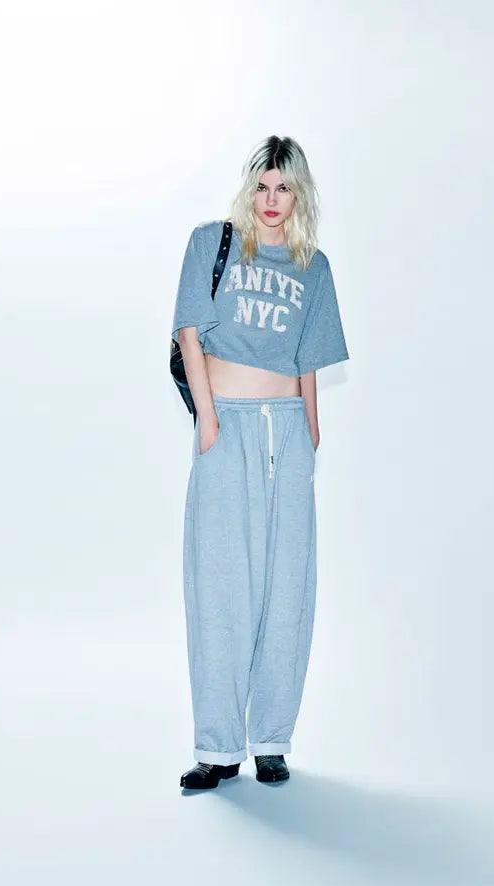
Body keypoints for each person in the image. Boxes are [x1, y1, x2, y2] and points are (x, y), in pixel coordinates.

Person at [171, 135, 349, 790]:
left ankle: (271, 739)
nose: (272, 201)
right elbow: (189, 333)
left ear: (299, 196)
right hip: (227, 427)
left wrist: (312, 433)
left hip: (288, 433)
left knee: (287, 587)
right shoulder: (210, 244)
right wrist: (208, 422)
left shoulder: (313, 268)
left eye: (284, 189)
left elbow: (308, 360)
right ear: (250, 189)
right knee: (220, 586)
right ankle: (218, 748)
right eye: (263, 187)